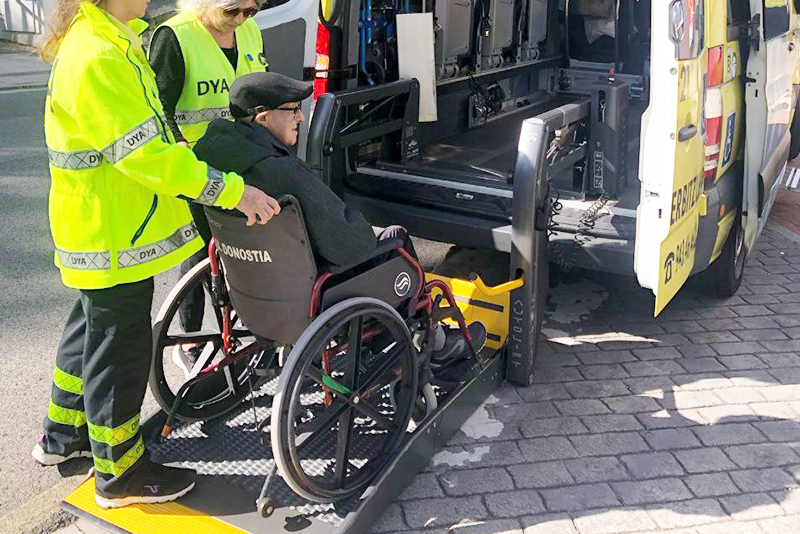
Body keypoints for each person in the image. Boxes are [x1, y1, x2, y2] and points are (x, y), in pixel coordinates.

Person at [32, 0, 278, 510]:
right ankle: (121, 473)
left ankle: (63, 435)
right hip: (112, 232)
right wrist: (232, 192)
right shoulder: (100, 54)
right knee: (120, 350)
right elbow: (145, 156)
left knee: (90, 328)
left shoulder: (107, 37)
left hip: (98, 227)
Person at [194, 71, 487, 359]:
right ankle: (431, 340)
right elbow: (352, 245)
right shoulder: (284, 172)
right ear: (263, 118)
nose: (301, 117)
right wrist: (361, 226)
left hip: (253, 292)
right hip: (312, 295)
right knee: (394, 238)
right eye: (293, 110)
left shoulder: (208, 172)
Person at [149, 0, 269, 373]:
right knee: (200, 251)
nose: (242, 19)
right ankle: (190, 340)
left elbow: (261, 89)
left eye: (252, 10)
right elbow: (157, 108)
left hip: (243, 159)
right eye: (233, 11)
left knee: (244, 247)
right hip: (196, 167)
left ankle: (239, 332)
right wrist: (179, 148)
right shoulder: (176, 36)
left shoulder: (250, 29)